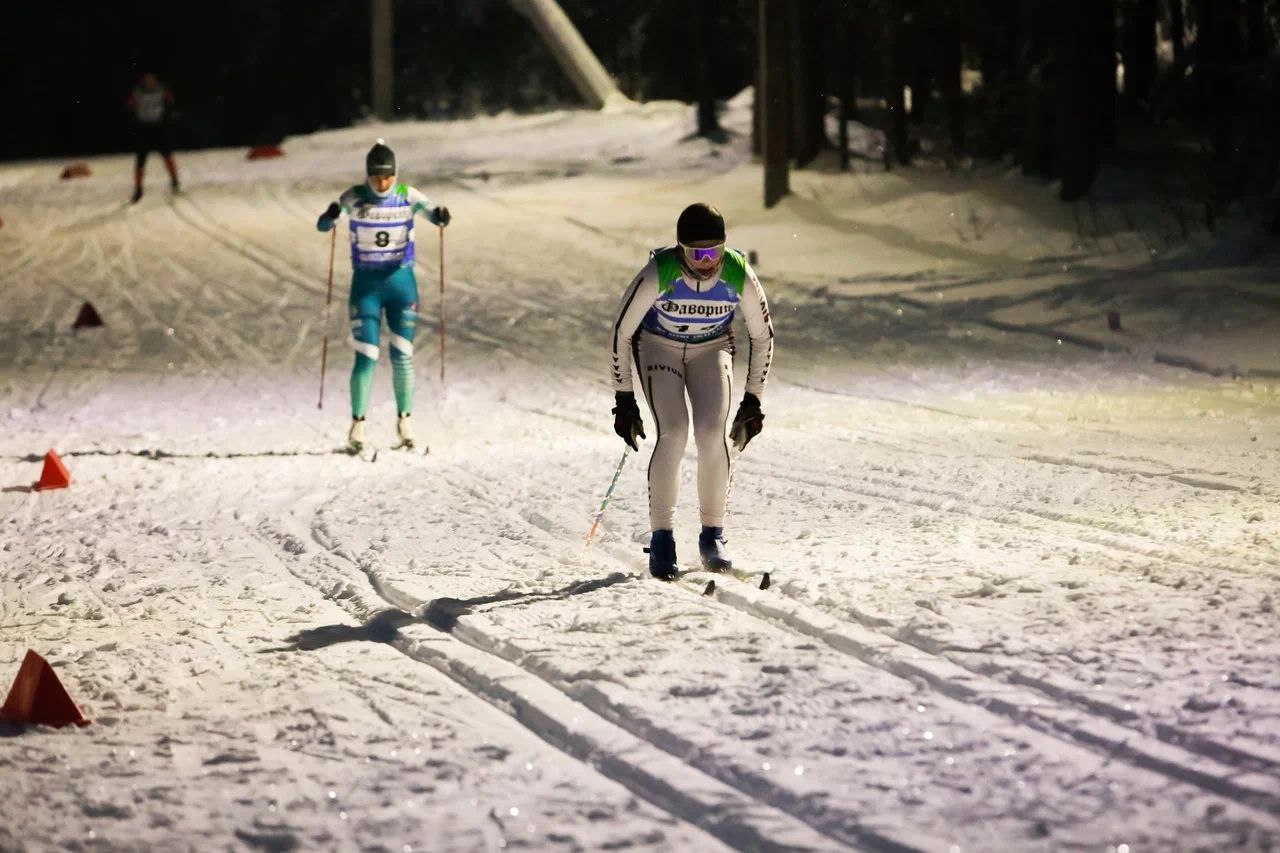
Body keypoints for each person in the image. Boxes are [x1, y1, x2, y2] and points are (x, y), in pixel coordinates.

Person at [609, 203, 774, 579]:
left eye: (714, 251)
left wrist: (753, 400)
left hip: (711, 348)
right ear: (681, 249)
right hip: (658, 346)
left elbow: (763, 336)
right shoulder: (660, 271)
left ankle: (712, 536)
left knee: (711, 433)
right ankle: (663, 539)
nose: (706, 261)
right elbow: (621, 331)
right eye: (696, 253)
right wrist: (624, 399)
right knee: (674, 433)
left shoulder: (737, 272)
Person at [316, 139, 451, 453]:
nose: (383, 183)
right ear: (368, 175)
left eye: (388, 176)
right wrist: (331, 214)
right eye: (377, 177)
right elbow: (324, 226)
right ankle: (358, 427)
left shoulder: (407, 196)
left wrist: (442, 215)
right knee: (367, 356)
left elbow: (434, 214)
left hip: (402, 287)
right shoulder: (353, 197)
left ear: (395, 174)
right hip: (366, 289)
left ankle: (405, 424)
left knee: (402, 354)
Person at [127, 73, 180, 203]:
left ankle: (174, 181)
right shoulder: (138, 91)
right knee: (140, 161)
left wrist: (168, 112)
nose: (149, 82)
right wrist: (134, 109)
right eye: (146, 79)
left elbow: (171, 100)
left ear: (155, 80)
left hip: (158, 128)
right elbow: (130, 104)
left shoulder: (161, 89)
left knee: (167, 156)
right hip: (144, 129)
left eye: (151, 79)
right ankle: (138, 190)